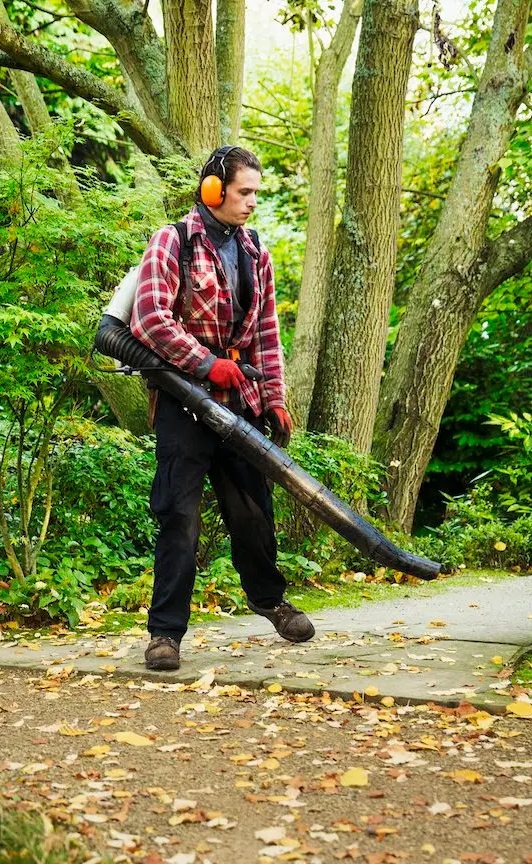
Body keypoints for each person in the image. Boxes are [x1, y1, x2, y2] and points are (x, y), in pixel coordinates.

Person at [130, 145, 313, 672]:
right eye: (244, 192)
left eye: (256, 192)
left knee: (253, 514)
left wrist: (274, 399)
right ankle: (165, 635)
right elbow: (149, 319)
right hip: (185, 403)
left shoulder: (255, 251)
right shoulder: (174, 241)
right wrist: (207, 364)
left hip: (240, 405)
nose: (252, 202)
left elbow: (266, 335)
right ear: (214, 189)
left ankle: (269, 601)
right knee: (178, 518)